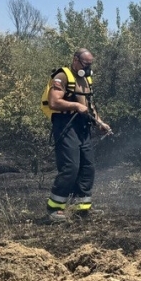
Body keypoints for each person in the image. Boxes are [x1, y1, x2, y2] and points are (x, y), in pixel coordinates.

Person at [42, 48, 112, 223]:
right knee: (70, 167)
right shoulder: (62, 76)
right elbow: (54, 102)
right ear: (75, 60)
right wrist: (75, 106)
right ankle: (54, 209)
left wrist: (100, 123)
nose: (88, 68)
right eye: (85, 64)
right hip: (66, 124)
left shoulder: (87, 79)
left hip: (82, 126)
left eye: (90, 64)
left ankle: (81, 208)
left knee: (88, 167)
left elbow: (88, 105)